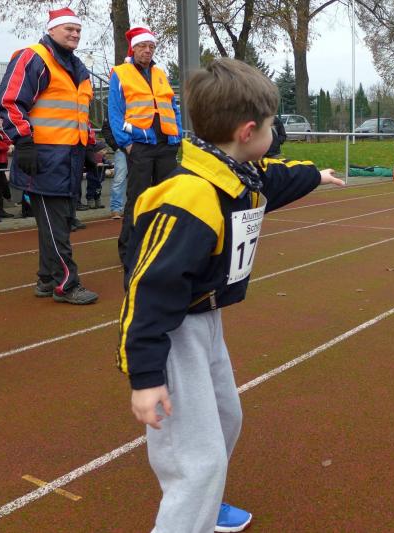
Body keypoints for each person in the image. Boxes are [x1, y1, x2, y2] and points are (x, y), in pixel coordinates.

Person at [116, 57, 344, 533]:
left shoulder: (237, 174)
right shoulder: (191, 199)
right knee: (196, 462)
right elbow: (149, 292)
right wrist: (146, 377)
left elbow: (275, 181)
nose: (274, 135)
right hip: (175, 332)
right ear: (247, 132)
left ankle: (204, 505)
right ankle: (189, 512)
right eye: (271, 126)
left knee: (225, 419)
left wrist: (315, 175)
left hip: (206, 319)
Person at [0, 7, 99, 304]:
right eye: (69, 29)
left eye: (78, 30)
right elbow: (9, 101)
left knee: (57, 223)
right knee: (57, 225)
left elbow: (79, 114)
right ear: (52, 29)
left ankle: (46, 278)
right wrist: (24, 141)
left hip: (70, 157)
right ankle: (66, 284)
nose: (75, 34)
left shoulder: (78, 68)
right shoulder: (34, 57)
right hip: (43, 157)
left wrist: (89, 147)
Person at [109, 26, 183, 263]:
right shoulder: (120, 73)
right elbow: (115, 112)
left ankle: (162, 247)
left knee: (167, 198)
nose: (148, 50)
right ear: (133, 48)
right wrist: (126, 144)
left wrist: (178, 135)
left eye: (151, 46)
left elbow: (173, 106)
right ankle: (129, 252)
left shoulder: (160, 73)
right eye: (142, 46)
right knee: (138, 199)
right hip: (140, 146)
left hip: (166, 145)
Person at [102, 117, 127, 219]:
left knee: (138, 179)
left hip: (138, 148)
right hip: (122, 149)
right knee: (119, 179)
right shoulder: (112, 108)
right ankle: (116, 209)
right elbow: (106, 129)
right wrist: (116, 147)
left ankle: (133, 207)